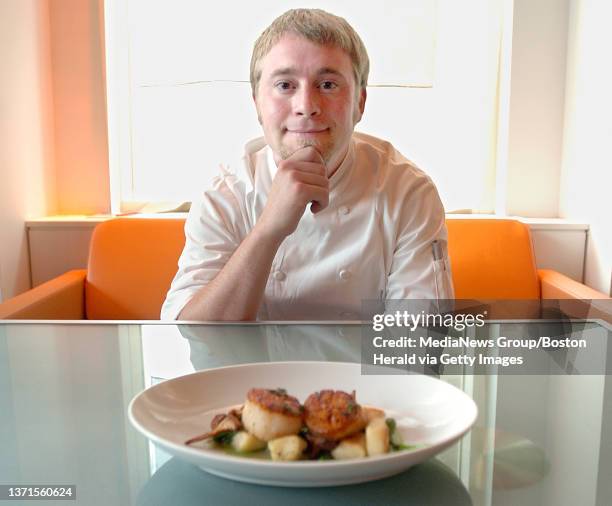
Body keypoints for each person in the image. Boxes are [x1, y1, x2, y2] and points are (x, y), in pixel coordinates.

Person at [161, 8, 453, 321]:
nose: (306, 107)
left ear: (360, 103)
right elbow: (187, 334)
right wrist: (269, 229)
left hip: (361, 370)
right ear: (256, 102)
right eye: (285, 85)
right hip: (250, 372)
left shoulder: (408, 192)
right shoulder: (226, 192)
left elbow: (420, 344)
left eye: (327, 85)